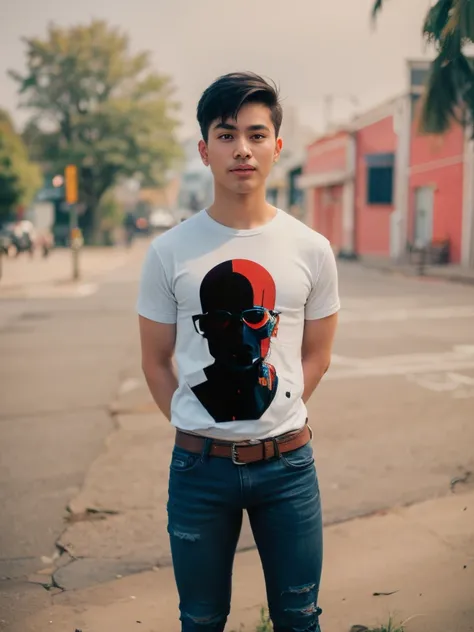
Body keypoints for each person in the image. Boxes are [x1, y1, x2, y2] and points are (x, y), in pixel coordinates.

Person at [137, 72, 340, 632]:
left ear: (278, 146)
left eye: (256, 134)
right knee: (200, 620)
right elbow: (156, 362)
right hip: (198, 471)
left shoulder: (311, 249)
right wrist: (200, 429)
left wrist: (279, 411)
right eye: (226, 135)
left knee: (299, 618)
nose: (242, 149)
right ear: (204, 150)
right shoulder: (168, 252)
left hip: (288, 468)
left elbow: (318, 354)